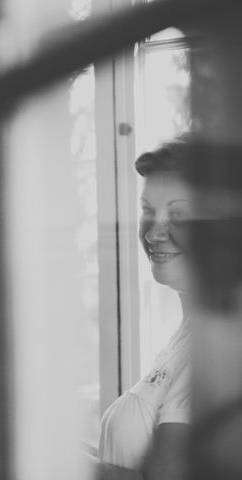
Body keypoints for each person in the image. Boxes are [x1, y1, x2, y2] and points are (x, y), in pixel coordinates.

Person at [93, 138, 194, 480]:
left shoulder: (224, 340)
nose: (153, 233)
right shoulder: (187, 333)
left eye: (178, 214)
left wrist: (35, 444)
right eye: (148, 211)